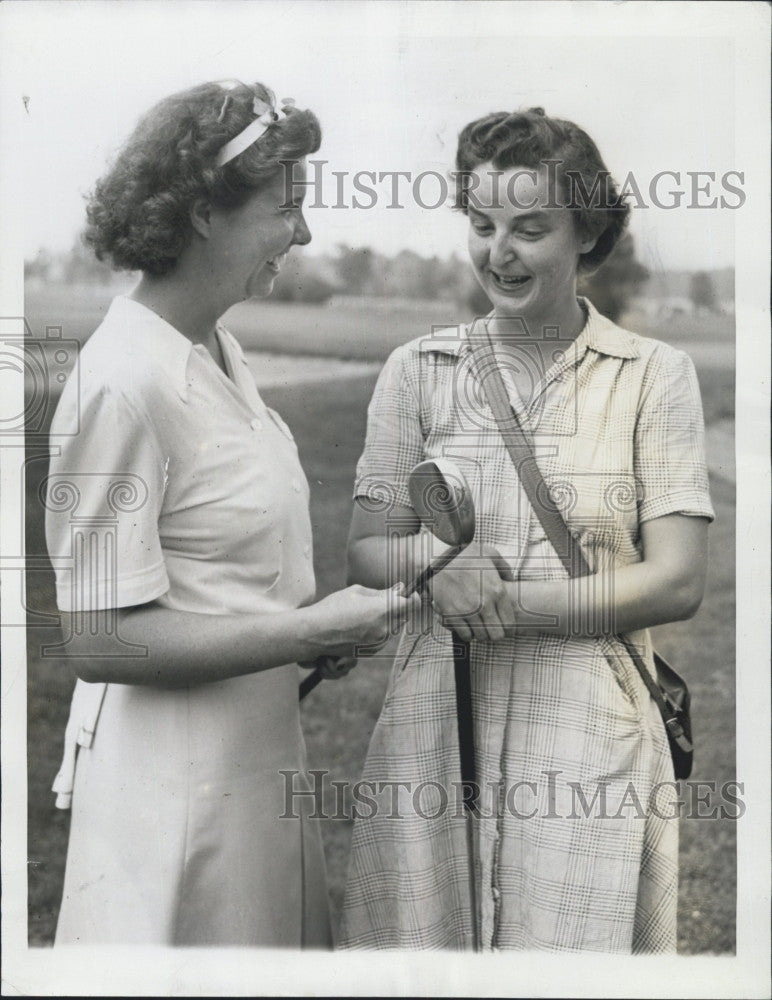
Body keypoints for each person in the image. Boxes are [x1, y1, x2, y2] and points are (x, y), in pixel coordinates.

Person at [45, 80, 417, 948]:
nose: (307, 232)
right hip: (170, 791)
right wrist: (306, 631)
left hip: (247, 760)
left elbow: (227, 580)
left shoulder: (218, 351)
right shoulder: (124, 381)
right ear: (205, 211)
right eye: (286, 207)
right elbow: (99, 636)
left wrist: (315, 630)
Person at [337, 108, 714, 952]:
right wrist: (434, 573)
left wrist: (508, 604)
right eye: (482, 225)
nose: (497, 253)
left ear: (586, 235)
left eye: (529, 229)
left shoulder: (654, 376)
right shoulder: (419, 371)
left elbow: (678, 580)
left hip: (590, 726)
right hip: (436, 720)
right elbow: (367, 551)